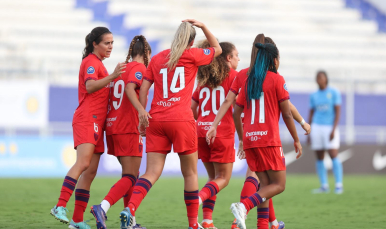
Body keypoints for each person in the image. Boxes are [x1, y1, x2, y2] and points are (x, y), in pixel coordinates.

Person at [119, 19, 222, 229]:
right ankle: (194, 224)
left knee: (151, 172)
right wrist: (203, 26)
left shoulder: (157, 58)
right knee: (190, 174)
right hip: (181, 120)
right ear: (192, 42)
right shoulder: (192, 55)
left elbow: (145, 90)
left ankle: (130, 208)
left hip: (156, 119)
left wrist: (142, 115)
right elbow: (217, 49)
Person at [206, 34, 310, 229]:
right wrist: (297, 138)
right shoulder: (276, 79)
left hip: (250, 139)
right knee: (278, 185)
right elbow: (287, 113)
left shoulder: (245, 78)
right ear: (274, 59)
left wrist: (242, 138)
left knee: (263, 185)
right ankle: (243, 207)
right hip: (269, 140)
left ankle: (266, 223)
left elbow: (235, 109)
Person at [50, 27, 126, 229]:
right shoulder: (91, 62)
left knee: (90, 172)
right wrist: (112, 77)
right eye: (106, 43)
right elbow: (91, 86)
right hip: (87, 119)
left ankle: (76, 220)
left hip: (97, 123)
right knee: (83, 163)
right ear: (95, 44)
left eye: (112, 43)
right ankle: (59, 205)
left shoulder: (99, 64)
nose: (110, 47)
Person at [89, 35, 151, 229]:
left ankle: (129, 222)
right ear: (146, 53)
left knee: (129, 175)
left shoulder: (121, 67)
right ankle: (103, 207)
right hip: (128, 126)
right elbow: (130, 88)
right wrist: (142, 111)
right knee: (132, 176)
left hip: (113, 126)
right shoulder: (139, 68)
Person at [190, 40, 239, 229]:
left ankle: (207, 221)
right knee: (223, 179)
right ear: (227, 58)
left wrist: (203, 118)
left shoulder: (203, 80)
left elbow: (192, 110)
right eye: (236, 55)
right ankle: (198, 200)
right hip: (221, 132)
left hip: (201, 131)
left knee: (213, 179)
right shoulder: (234, 77)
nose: (239, 59)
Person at [308, 70, 343, 194]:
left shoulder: (334, 92)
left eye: (321, 77)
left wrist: (334, 128)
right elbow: (311, 113)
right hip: (317, 127)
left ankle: (339, 185)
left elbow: (338, 111)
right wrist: (309, 130)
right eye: (317, 77)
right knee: (319, 156)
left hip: (329, 127)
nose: (319, 79)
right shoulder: (314, 95)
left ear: (326, 79)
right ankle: (324, 186)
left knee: (333, 154)